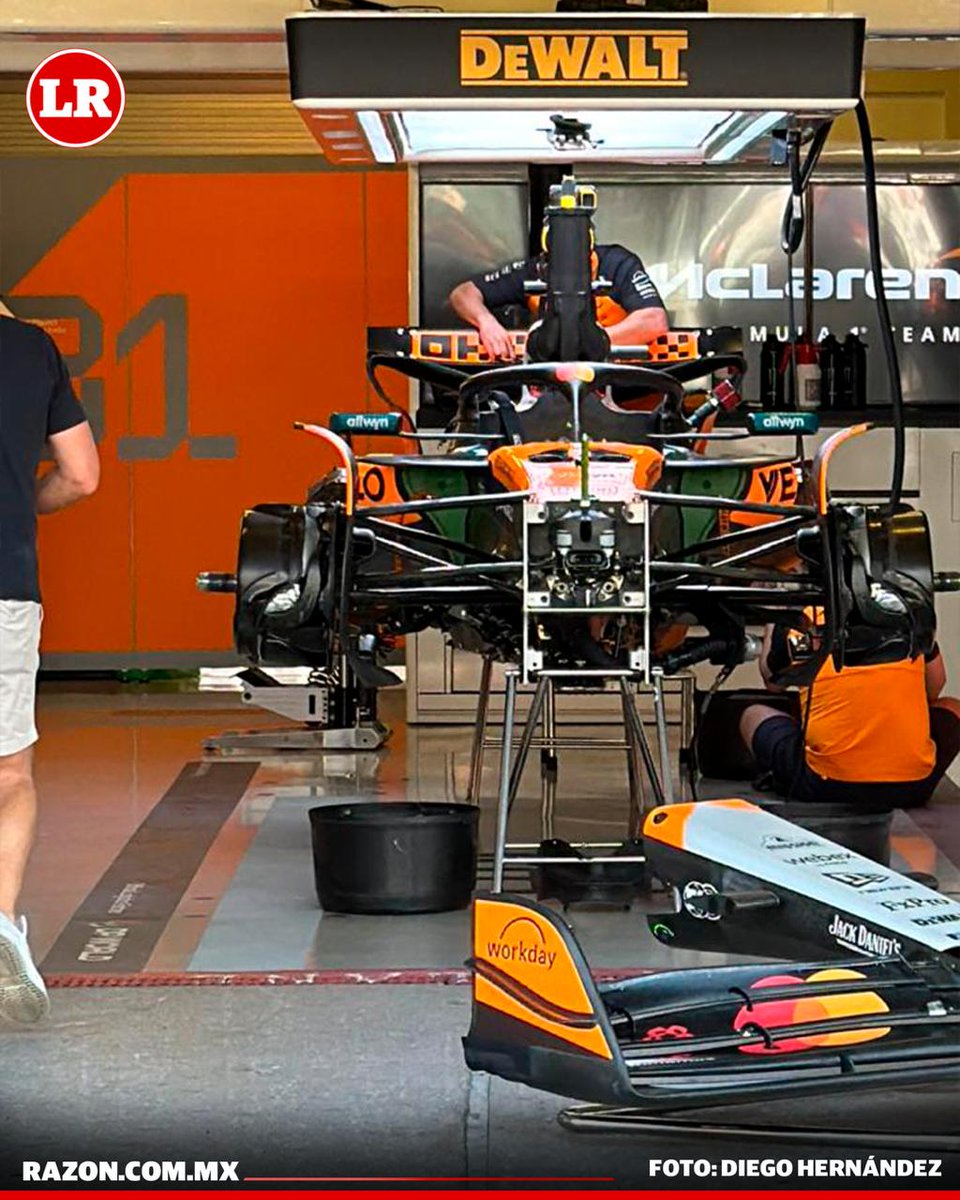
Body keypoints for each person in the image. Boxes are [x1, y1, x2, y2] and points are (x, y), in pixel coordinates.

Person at [0, 305, 99, 1023]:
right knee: (8, 773)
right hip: (3, 582)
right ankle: (0, 926)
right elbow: (82, 475)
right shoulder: (32, 350)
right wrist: (22, 506)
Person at [740, 624, 960, 808]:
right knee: (952, 707)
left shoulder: (804, 620)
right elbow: (935, 684)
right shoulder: (909, 616)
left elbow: (773, 682)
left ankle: (782, 776)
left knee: (752, 715)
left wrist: (774, 619)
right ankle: (901, 764)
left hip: (824, 786)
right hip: (912, 789)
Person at [449, 242, 669, 362]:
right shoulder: (533, 270)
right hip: (552, 395)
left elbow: (654, 320)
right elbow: (463, 293)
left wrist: (586, 346)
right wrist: (486, 322)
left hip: (626, 396)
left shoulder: (617, 263)